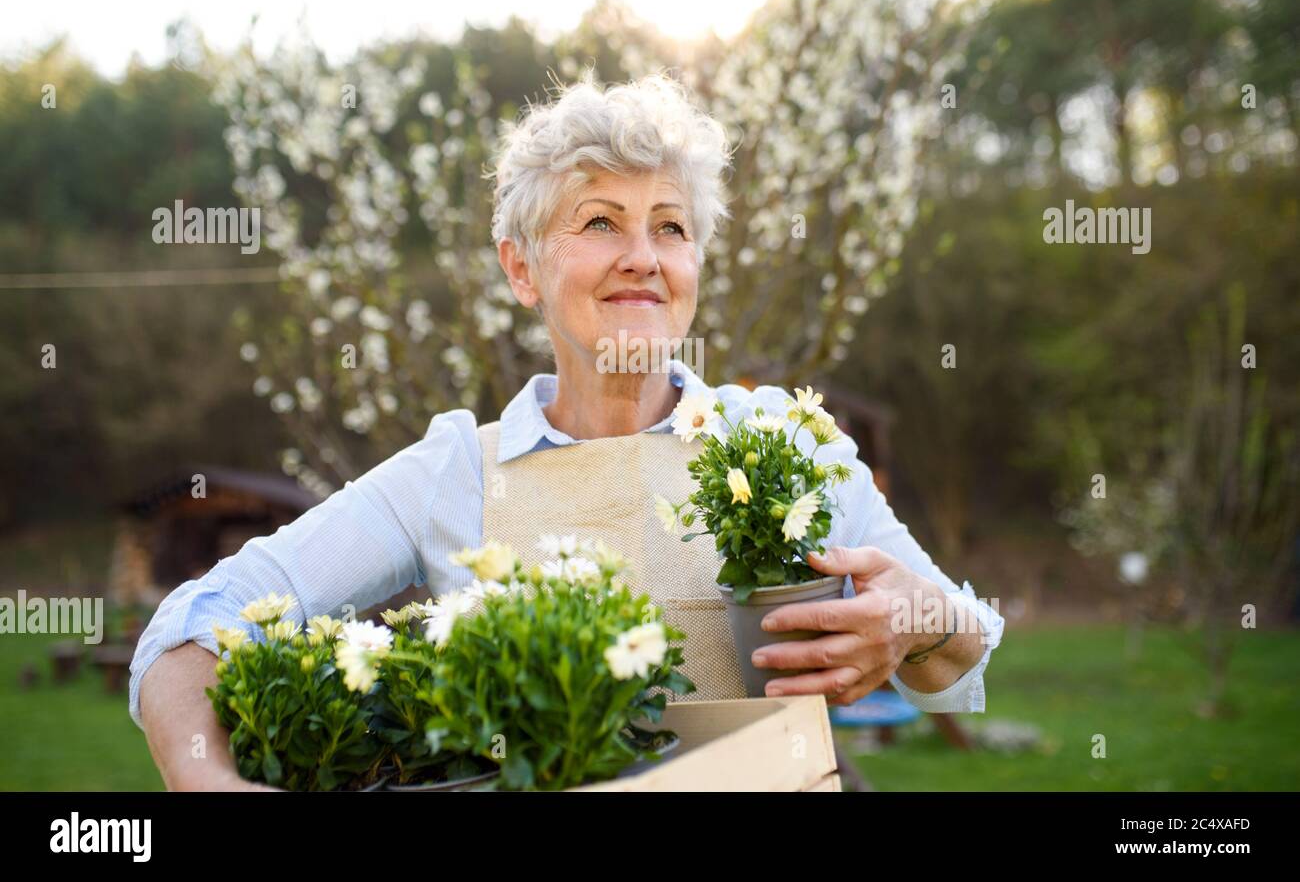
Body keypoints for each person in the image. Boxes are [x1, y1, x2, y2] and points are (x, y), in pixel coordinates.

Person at [130, 72, 1004, 790]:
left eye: (671, 227)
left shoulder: (784, 443)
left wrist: (914, 624)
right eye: (600, 223)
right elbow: (189, 625)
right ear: (522, 268)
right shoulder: (456, 472)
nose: (644, 257)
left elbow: (962, 649)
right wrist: (210, 781)